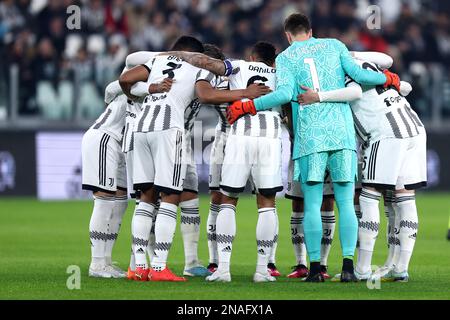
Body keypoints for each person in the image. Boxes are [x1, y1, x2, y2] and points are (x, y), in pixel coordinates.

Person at [226, 13, 401, 282]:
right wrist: (387, 79)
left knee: (312, 204)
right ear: (311, 31)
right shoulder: (335, 45)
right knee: (344, 202)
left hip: (310, 135)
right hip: (341, 133)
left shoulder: (285, 58)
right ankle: (348, 268)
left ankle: (316, 268)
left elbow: (284, 95)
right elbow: (357, 74)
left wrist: (249, 105)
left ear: (288, 35)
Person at [165, 41, 283, 282]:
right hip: (271, 136)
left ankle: (223, 268)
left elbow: (204, 63)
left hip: (238, 136)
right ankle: (263, 269)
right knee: (267, 203)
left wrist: (170, 55)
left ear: (251, 58)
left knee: (227, 200)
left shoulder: (238, 68)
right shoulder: (281, 74)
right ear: (273, 61)